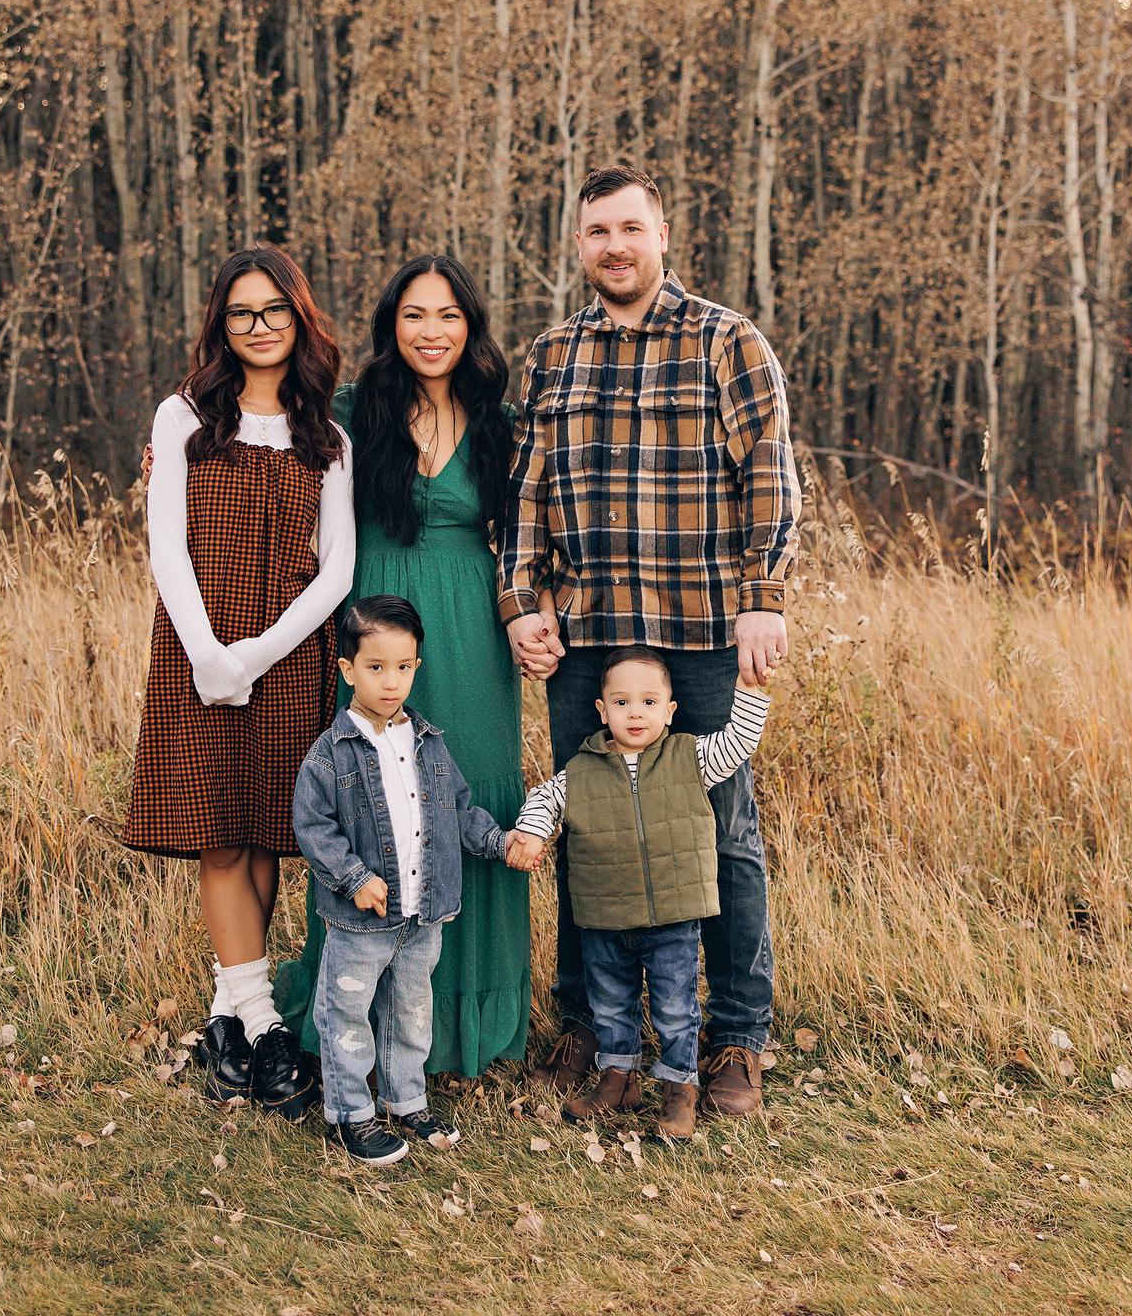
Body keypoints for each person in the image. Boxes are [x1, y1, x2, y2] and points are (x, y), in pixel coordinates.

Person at [499, 164, 801, 1118]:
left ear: (661, 235)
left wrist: (763, 597)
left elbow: (769, 474)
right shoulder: (552, 355)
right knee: (585, 831)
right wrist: (520, 603)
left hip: (702, 629)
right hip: (586, 638)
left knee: (723, 833)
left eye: (631, 228)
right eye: (598, 231)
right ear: (578, 244)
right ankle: (594, 1028)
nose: (615, 246)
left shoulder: (725, 340)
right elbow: (524, 494)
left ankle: (735, 1036)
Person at [276, 256, 538, 1077]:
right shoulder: (352, 412)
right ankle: (352, 1022)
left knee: (472, 791)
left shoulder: (499, 421)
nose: (432, 332)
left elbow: (547, 517)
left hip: (470, 630)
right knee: (366, 798)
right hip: (372, 622)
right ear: (391, 324)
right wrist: (170, 459)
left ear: (471, 326)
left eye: (448, 315)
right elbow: (258, 446)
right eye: (415, 315)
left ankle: (466, 1021)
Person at [121, 246, 354, 1122]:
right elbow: (166, 545)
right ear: (221, 324)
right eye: (241, 313)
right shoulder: (183, 415)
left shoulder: (326, 435)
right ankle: (262, 1025)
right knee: (218, 833)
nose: (258, 327)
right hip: (196, 650)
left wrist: (253, 656)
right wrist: (210, 655)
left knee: (263, 834)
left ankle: (231, 1022)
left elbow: (336, 571)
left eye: (273, 311)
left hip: (288, 653)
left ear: (299, 317)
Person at [292, 595, 537, 1164]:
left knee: (410, 1011)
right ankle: (350, 1115)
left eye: (403, 667)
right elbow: (313, 826)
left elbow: (458, 811)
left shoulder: (426, 741)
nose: (391, 681)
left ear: (417, 667)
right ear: (347, 669)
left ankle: (407, 1101)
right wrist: (354, 877)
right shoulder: (331, 755)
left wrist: (500, 843)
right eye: (376, 667)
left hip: (423, 913)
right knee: (347, 1013)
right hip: (362, 919)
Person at [509, 649, 771, 1141]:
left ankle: (679, 1091)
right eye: (622, 702)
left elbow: (739, 741)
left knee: (675, 1008)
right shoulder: (582, 770)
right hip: (606, 917)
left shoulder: (691, 758)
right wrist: (531, 832)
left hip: (672, 918)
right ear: (602, 709)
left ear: (670, 711)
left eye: (649, 702)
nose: (635, 713)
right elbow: (546, 798)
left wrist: (750, 691)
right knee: (610, 1004)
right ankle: (618, 1079)